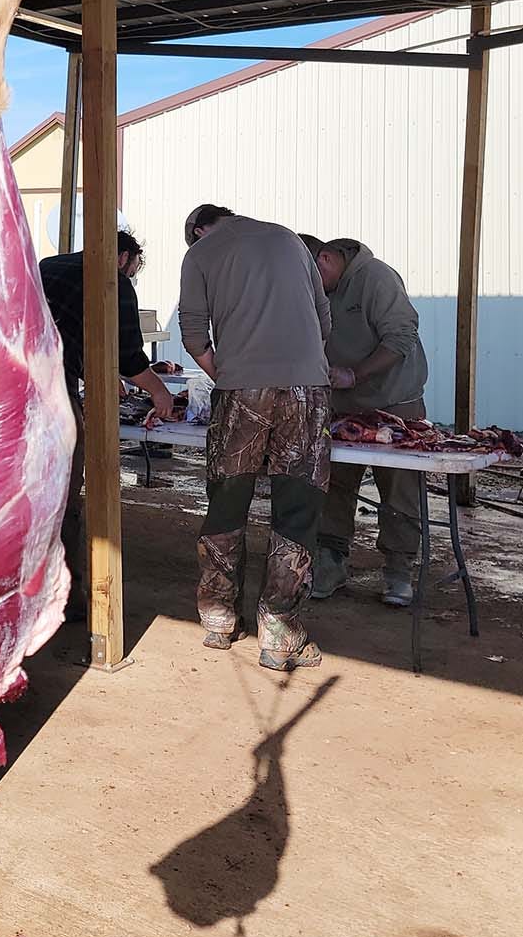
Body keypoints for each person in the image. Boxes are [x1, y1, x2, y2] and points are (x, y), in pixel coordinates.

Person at [178, 203, 332, 665]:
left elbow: (193, 335)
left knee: (227, 498)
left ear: (201, 229)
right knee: (298, 505)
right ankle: (280, 634)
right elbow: (324, 320)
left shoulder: (200, 254)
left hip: (240, 390)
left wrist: (225, 372)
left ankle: (220, 618)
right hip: (307, 388)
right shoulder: (289, 237)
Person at [39, 231, 175, 619]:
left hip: (12, 391)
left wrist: (100, 370)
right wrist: (160, 393)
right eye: (134, 266)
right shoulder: (115, 282)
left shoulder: (50, 266)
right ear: (123, 257)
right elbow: (131, 357)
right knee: (63, 500)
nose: (132, 273)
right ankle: (63, 597)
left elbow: (64, 328)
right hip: (53, 397)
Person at [306, 237, 429, 608]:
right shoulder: (313, 285)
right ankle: (331, 560)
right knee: (333, 484)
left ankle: (398, 568)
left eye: (312, 276)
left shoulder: (377, 278)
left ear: (325, 259)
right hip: (341, 408)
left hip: (396, 403)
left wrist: (356, 374)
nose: (309, 287)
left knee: (399, 489)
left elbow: (402, 336)